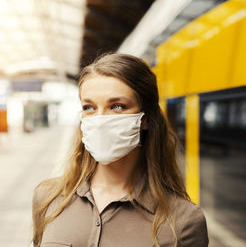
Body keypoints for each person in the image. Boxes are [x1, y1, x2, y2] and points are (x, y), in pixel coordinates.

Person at [32, 53, 209, 247]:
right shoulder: (48, 198)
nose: (100, 120)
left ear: (146, 119)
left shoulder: (184, 222)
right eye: (89, 107)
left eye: (117, 106)